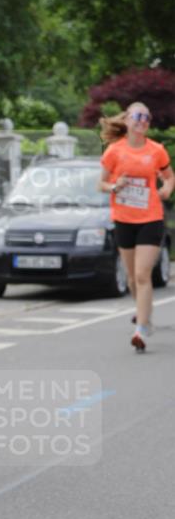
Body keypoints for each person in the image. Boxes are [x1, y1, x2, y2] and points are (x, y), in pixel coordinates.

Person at [98, 102, 174, 351]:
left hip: (150, 218)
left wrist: (166, 188)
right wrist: (114, 186)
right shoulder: (114, 151)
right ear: (127, 120)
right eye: (137, 117)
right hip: (123, 219)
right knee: (132, 279)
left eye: (146, 117)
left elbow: (169, 176)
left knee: (142, 274)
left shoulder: (156, 150)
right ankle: (144, 314)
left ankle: (141, 328)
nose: (142, 121)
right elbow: (101, 184)